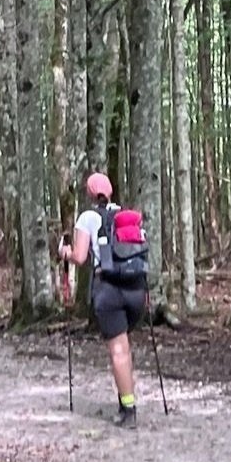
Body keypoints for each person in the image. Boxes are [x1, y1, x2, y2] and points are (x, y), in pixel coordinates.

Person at [63, 169, 148, 425]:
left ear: (89, 193)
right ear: (110, 191)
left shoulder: (87, 217)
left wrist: (63, 251)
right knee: (124, 347)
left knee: (118, 350)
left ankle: (129, 410)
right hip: (136, 288)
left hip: (109, 289)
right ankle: (126, 399)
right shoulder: (126, 216)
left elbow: (79, 256)